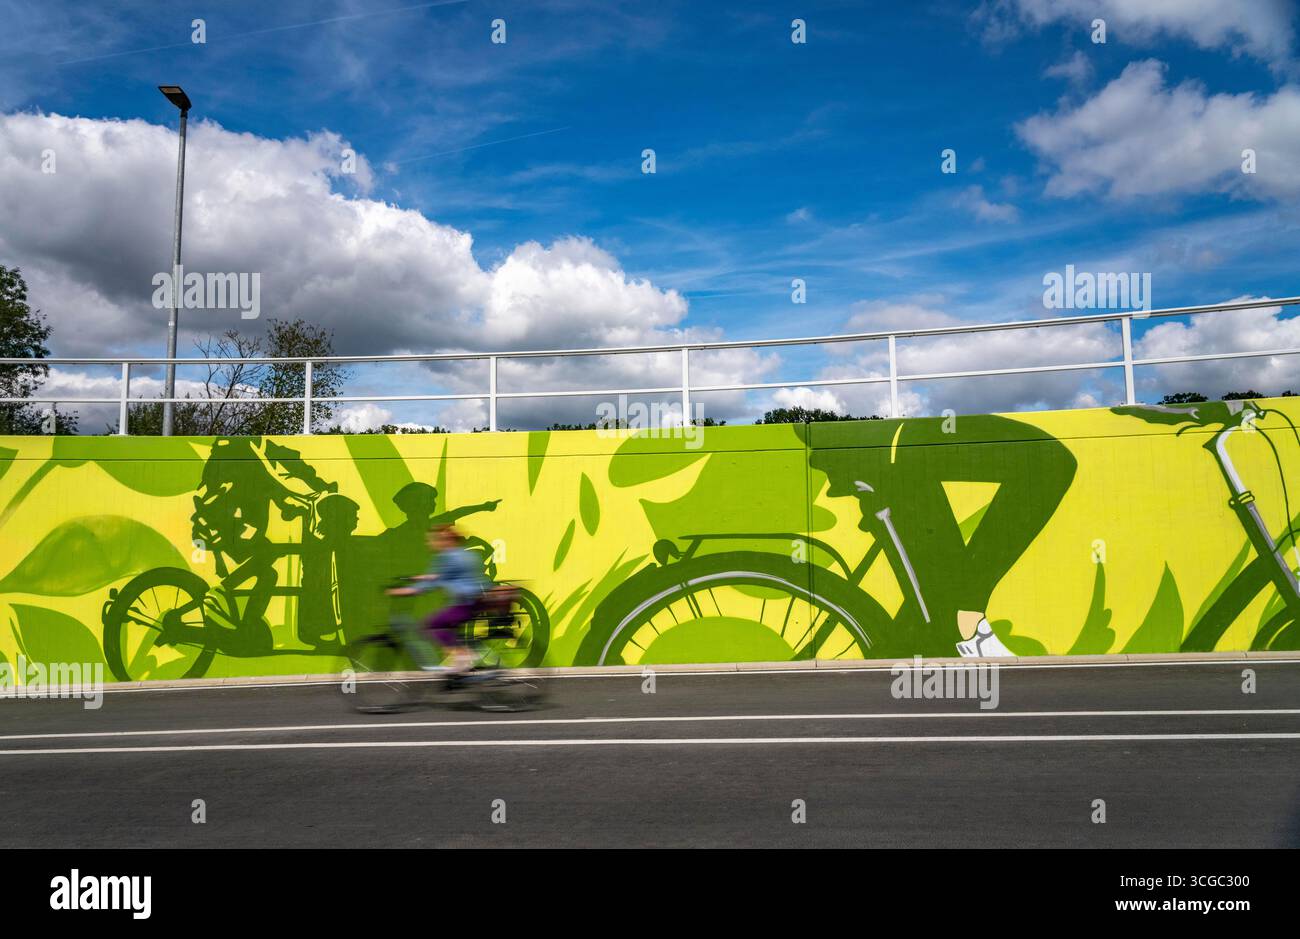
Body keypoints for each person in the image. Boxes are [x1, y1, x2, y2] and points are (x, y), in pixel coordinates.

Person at [388, 524, 488, 675]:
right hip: (477, 601)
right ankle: (459, 662)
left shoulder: (447, 556)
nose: (431, 543)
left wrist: (404, 591)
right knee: (448, 627)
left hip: (464, 604)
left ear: (445, 541)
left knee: (431, 626)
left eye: (434, 540)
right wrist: (416, 578)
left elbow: (434, 582)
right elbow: (444, 575)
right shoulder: (468, 555)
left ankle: (464, 655)